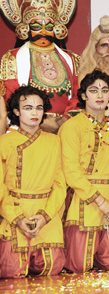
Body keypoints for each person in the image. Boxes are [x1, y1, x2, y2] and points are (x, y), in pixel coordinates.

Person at [0, 0, 80, 133]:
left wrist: (64, 121)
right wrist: (41, 122)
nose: (43, 31)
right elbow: (11, 98)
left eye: (48, 25)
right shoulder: (11, 59)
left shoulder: (72, 59)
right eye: (36, 26)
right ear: (25, 28)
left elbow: (77, 95)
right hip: (26, 128)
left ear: (57, 27)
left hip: (65, 129)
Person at [59, 70, 109, 273]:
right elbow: (71, 171)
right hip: (84, 199)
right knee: (79, 265)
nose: (99, 95)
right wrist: (101, 202)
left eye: (104, 90)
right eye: (94, 90)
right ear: (83, 96)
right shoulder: (72, 127)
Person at [0, 86, 65, 278]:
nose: (34, 113)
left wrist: (45, 216)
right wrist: (17, 219)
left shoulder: (54, 142)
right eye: (28, 108)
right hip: (15, 213)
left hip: (46, 214)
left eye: (38, 108)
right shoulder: (4, 142)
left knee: (52, 268)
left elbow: (60, 184)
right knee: (12, 271)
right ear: (17, 112)